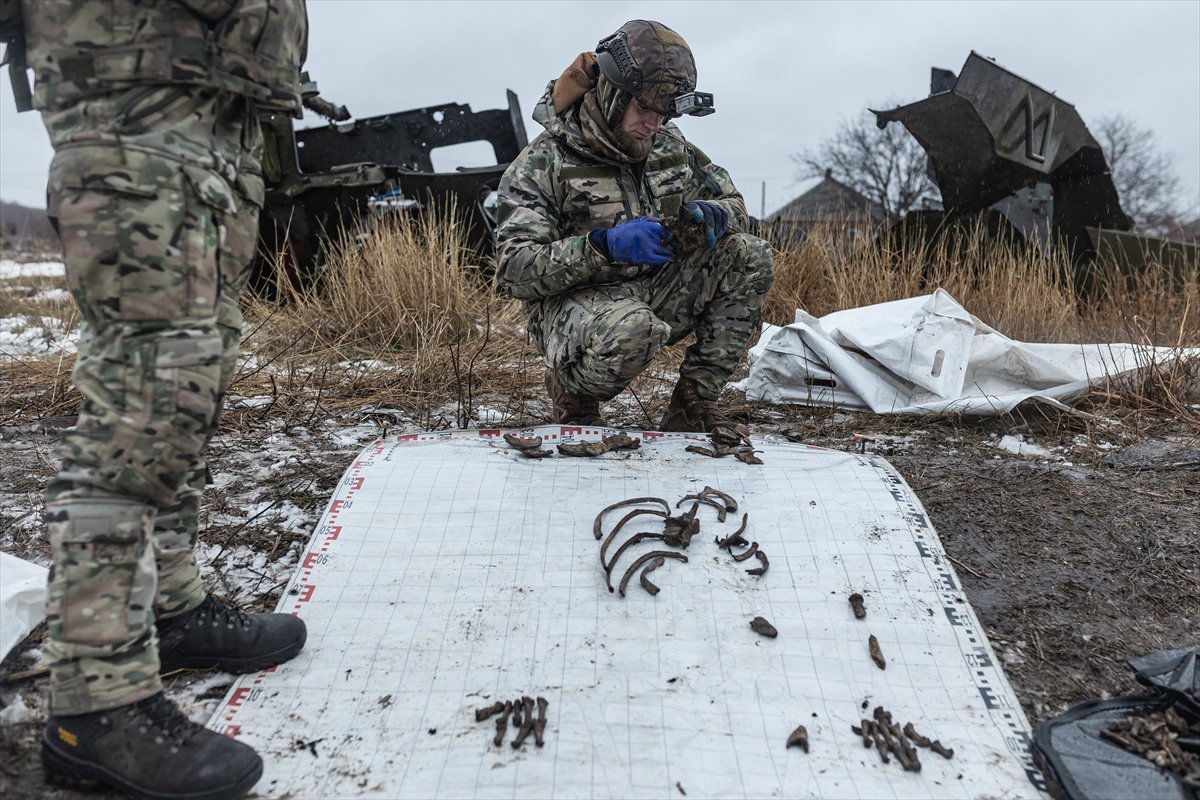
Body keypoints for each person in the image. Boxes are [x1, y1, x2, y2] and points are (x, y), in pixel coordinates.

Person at [3, 1, 309, 797]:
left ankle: (172, 607)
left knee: (192, 387)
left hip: (215, 118)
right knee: (147, 399)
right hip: (133, 101)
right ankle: (95, 701)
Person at [495, 19, 774, 432]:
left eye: (663, 113)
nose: (654, 124)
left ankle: (692, 404)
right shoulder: (544, 161)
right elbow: (514, 270)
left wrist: (714, 215)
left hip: (655, 287)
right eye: (644, 109)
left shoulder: (668, 144)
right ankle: (574, 394)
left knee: (750, 255)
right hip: (575, 307)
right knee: (634, 330)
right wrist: (602, 246)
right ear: (611, 94)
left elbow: (733, 203)